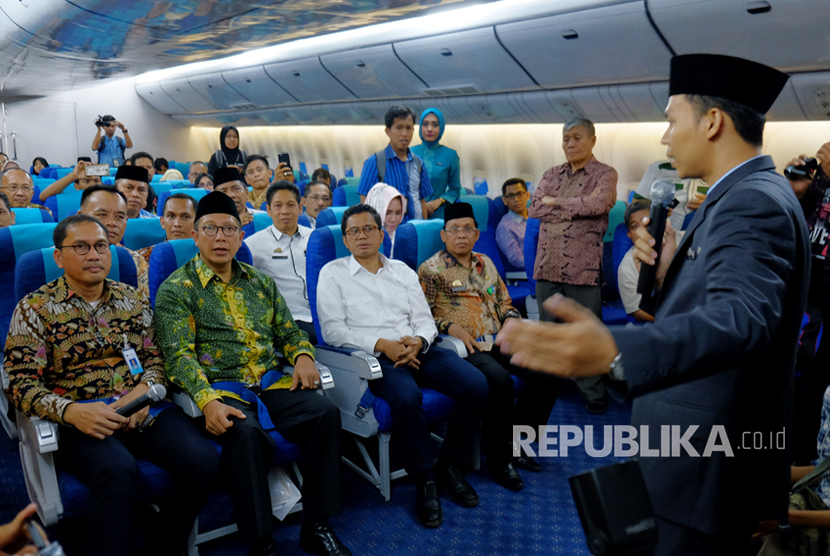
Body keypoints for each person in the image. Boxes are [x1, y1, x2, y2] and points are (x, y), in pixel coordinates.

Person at [497, 54, 807, 555]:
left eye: (670, 121)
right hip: (700, 457)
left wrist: (616, 351)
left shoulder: (753, 201)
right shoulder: (745, 194)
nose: (665, 137)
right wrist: (667, 273)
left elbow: (741, 320)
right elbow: (721, 302)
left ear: (712, 122)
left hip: (706, 470)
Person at [4, 214, 219, 556]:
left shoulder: (132, 299)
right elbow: (19, 383)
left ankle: (160, 547)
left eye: (101, 246)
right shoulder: (34, 308)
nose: (94, 255)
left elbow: (155, 358)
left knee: (205, 461)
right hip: (81, 417)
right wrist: (71, 412)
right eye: (82, 247)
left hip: (140, 408)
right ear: (59, 256)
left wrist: (143, 392)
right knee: (117, 470)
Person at [154, 192, 352, 556]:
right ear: (195, 236)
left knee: (324, 414)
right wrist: (207, 400)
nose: (220, 238)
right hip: (220, 389)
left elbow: (289, 332)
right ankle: (261, 541)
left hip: (267, 381)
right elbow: (178, 356)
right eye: (210, 229)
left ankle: (317, 525)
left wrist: (303, 356)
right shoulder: (176, 290)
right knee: (243, 433)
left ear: (240, 236)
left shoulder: (260, 283)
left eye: (229, 229)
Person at [317, 204, 488, 529]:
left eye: (369, 229)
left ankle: (449, 464)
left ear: (382, 234)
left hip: (418, 348)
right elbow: (333, 331)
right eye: (354, 231)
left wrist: (419, 342)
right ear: (346, 239)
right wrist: (383, 345)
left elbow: (425, 319)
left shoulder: (402, 271)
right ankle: (425, 479)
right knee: (408, 398)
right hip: (376, 359)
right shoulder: (333, 274)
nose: (362, 236)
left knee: (476, 385)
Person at [418, 202, 560, 489]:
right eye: (454, 229)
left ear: (477, 233)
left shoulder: (487, 263)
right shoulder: (430, 270)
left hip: (500, 340)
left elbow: (505, 302)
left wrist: (510, 321)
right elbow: (422, 316)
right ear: (444, 235)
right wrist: (449, 326)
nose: (461, 234)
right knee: (500, 381)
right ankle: (501, 458)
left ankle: (519, 443)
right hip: (463, 346)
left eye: (467, 228)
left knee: (549, 371)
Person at [528, 116, 617, 414]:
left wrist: (558, 203)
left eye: (577, 138)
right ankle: (546, 388)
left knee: (587, 329)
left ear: (592, 140)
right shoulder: (551, 173)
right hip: (547, 265)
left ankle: (593, 390)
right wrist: (573, 206)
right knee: (548, 331)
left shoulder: (605, 174)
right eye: (566, 139)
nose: (570, 144)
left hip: (583, 268)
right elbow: (535, 207)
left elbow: (599, 204)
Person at [787, 141, 830, 465]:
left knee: (816, 386)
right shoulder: (817, 189)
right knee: (802, 383)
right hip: (804, 296)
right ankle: (798, 460)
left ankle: (807, 464)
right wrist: (799, 188)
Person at [245, 181, 317, 343]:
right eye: (278, 205)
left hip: (322, 312)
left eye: (290, 205)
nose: (284, 211)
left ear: (300, 208)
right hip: (288, 316)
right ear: (269, 210)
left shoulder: (315, 238)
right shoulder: (253, 245)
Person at [357, 106, 433, 221]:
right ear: (388, 131)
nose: (404, 133)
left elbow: (422, 200)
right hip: (389, 232)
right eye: (399, 128)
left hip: (415, 230)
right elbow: (365, 202)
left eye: (409, 128)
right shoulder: (375, 162)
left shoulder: (418, 163)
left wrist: (424, 227)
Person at [77, 185, 149, 297]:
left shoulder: (135, 261)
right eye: (102, 214)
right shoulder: (58, 256)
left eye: (119, 217)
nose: (112, 223)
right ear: (81, 217)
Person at [411, 108, 461, 219]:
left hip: (438, 213)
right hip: (413, 212)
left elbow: (455, 189)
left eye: (435, 125)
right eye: (425, 124)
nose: (430, 129)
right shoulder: (409, 153)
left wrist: (439, 201)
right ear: (420, 127)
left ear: (441, 127)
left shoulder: (450, 155)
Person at [616, 199, 655, 322]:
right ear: (630, 235)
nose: (642, 230)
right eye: (635, 226)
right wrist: (673, 323)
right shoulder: (627, 267)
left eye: (647, 222)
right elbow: (638, 312)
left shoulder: (682, 242)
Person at [137, 192, 197, 264]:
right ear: (162, 222)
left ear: (196, 223)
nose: (177, 224)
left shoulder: (207, 256)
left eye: (185, 217)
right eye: (171, 216)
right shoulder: (141, 259)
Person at [495, 178, 531, 270]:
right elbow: (517, 260)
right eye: (511, 196)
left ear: (527, 195)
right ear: (505, 200)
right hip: (532, 272)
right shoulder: (504, 227)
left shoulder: (538, 217)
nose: (516, 199)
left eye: (519, 194)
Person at [364, 182, 406, 258]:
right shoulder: (362, 241)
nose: (393, 220)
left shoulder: (404, 240)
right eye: (387, 213)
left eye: (398, 213)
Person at [38, 160, 103, 200]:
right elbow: (43, 196)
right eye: (86, 181)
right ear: (76, 186)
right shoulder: (71, 199)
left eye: (96, 181)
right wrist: (73, 176)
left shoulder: (107, 196)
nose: (93, 185)